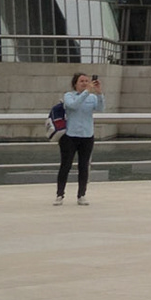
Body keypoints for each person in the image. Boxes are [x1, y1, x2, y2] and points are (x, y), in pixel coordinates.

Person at [56, 72, 102, 206]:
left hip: (87, 135)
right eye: (81, 81)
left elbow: (100, 108)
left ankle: (81, 194)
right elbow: (73, 106)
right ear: (75, 83)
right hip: (70, 135)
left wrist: (99, 94)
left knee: (84, 166)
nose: (85, 83)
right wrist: (86, 92)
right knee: (66, 165)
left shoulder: (92, 97)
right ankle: (60, 194)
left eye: (87, 81)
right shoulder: (68, 96)